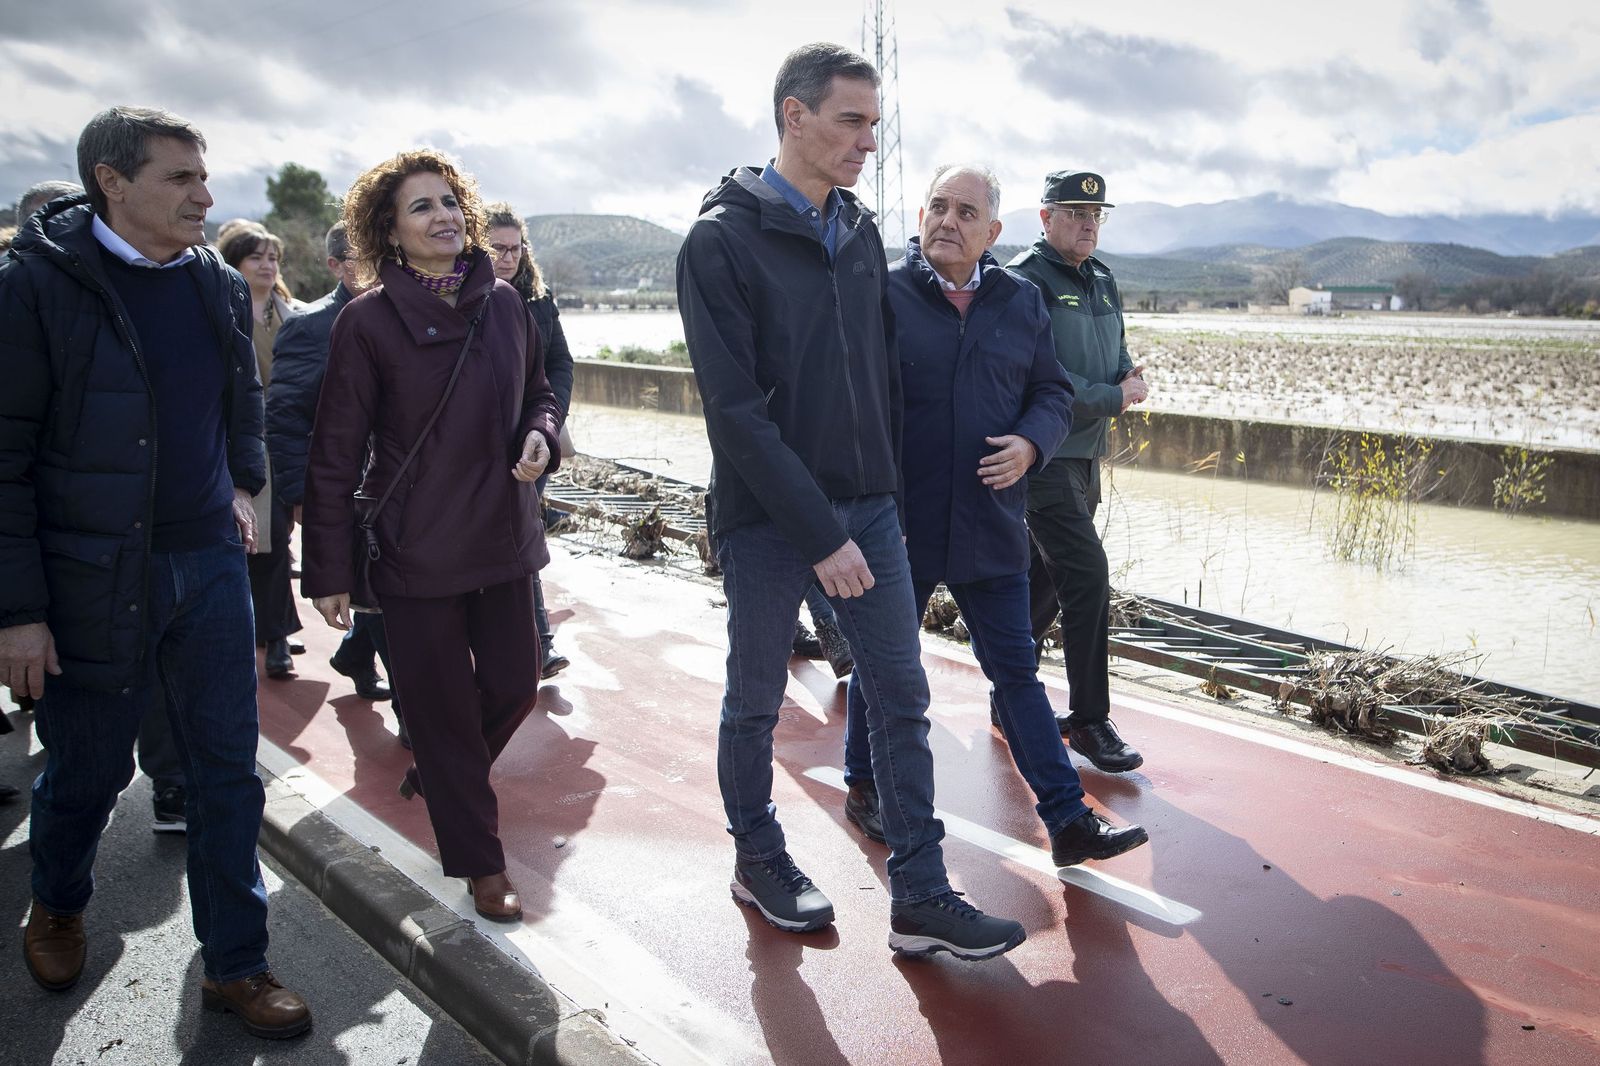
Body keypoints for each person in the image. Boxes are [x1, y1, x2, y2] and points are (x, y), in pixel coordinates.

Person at [677, 42, 1025, 961]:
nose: (869, 142)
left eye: (875, 123)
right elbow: (736, 414)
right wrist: (822, 531)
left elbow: (880, 376)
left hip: (869, 507)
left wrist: (888, 499)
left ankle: (920, 893)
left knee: (902, 696)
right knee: (755, 701)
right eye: (851, 121)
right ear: (795, 116)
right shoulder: (721, 240)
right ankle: (760, 856)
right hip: (767, 518)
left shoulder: (862, 233)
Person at [0, 105, 310, 1037]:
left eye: (202, 178)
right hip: (90, 574)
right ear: (112, 181)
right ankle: (57, 902)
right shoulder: (32, 289)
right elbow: (4, 458)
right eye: (180, 178)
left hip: (208, 566)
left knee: (227, 775)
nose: (204, 197)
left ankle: (236, 965)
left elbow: (240, 396)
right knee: (86, 772)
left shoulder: (215, 283)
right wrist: (18, 611)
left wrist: (245, 481)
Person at [842, 163, 1149, 868]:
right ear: (921, 215)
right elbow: (848, 401)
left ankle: (1068, 821)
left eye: (965, 212)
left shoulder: (1019, 301)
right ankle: (864, 786)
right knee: (883, 665)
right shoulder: (881, 296)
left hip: (990, 520)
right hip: (901, 523)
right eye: (938, 207)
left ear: (993, 232)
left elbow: (1049, 391)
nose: (948, 221)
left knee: (1015, 674)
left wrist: (1032, 443)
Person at [301, 150, 563, 924]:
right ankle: (483, 865)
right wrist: (328, 570)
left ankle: (448, 776)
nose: (444, 215)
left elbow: (540, 391)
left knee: (516, 682)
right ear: (389, 229)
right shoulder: (366, 322)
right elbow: (334, 452)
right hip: (416, 550)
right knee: (443, 712)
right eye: (421, 207)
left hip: (504, 536)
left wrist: (542, 432)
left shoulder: (508, 305)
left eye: (450, 201)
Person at [1006, 170, 1149, 774]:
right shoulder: (1024, 280)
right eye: (1074, 213)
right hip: (1045, 456)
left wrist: (1127, 376)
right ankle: (1088, 721)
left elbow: (1115, 353)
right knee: (1088, 577)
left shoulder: (1102, 278)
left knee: (1045, 577)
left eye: (1096, 215)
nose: (1088, 224)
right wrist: (1113, 397)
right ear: (1045, 218)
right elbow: (1043, 378)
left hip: (1086, 456)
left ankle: (1009, 694)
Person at [267, 223, 399, 721]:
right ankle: (412, 714)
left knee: (386, 585)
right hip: (344, 487)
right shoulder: (310, 326)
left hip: (394, 484)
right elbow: (285, 419)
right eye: (362, 259)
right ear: (335, 266)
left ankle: (353, 653)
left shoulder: (405, 315)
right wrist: (302, 496)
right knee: (381, 593)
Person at [485, 204, 573, 679]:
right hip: (485, 445)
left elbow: (561, 363)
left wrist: (548, 420)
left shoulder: (539, 299)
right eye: (497, 247)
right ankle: (533, 643)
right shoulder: (465, 298)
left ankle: (538, 644)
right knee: (517, 538)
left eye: (515, 248)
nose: (507, 257)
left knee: (524, 535)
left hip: (534, 440)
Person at [218, 224, 303, 679]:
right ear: (236, 262)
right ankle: (269, 634)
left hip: (283, 440)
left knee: (276, 540)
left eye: (273, 257)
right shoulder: (217, 309)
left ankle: (276, 634)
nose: (268, 266)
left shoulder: (292, 316)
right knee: (255, 541)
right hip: (237, 441)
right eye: (257, 257)